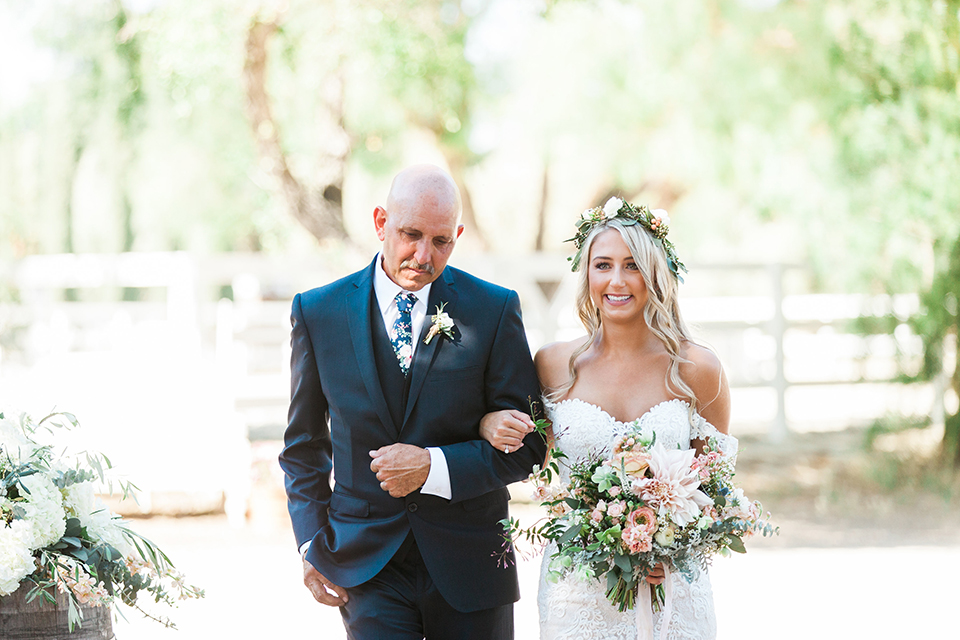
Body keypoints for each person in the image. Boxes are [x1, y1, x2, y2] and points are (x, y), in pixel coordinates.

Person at [279, 164, 547, 640]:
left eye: (441, 241)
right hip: (366, 567)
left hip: (472, 564)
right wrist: (310, 546)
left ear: (458, 235)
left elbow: (530, 446)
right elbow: (303, 446)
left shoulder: (493, 309)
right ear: (381, 222)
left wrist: (432, 466)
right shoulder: (318, 312)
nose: (424, 256)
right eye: (410, 234)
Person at [480, 198, 737, 639]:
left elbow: (715, 483)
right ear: (587, 274)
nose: (617, 281)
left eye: (632, 265)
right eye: (603, 265)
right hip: (575, 591)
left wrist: (670, 544)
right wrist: (488, 424)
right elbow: (525, 450)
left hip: (670, 586)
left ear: (655, 273)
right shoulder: (551, 365)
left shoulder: (698, 368)